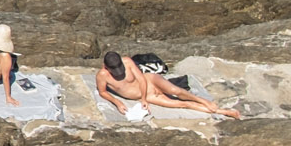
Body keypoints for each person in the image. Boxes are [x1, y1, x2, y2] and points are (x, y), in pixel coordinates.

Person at [95, 50, 239, 118]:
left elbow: (141, 79)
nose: (119, 72)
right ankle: (222, 112)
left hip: (150, 81)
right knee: (181, 104)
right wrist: (117, 102)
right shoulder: (102, 76)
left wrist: (144, 98)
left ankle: (202, 100)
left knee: (176, 91)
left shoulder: (127, 61)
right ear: (106, 67)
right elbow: (102, 92)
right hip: (148, 96)